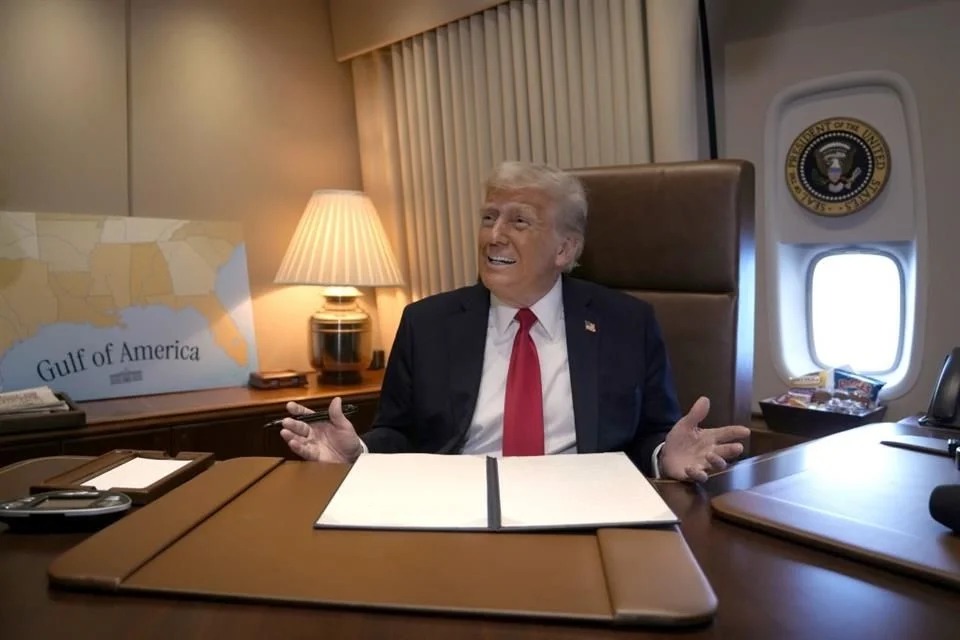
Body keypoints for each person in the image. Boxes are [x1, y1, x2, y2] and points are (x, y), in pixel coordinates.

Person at [280, 161, 750, 481]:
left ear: (564, 249)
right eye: (489, 217)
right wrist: (358, 452)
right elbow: (400, 433)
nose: (494, 236)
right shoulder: (427, 323)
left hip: (582, 509)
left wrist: (665, 455)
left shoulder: (626, 323)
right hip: (457, 511)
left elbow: (651, 432)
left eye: (519, 222)